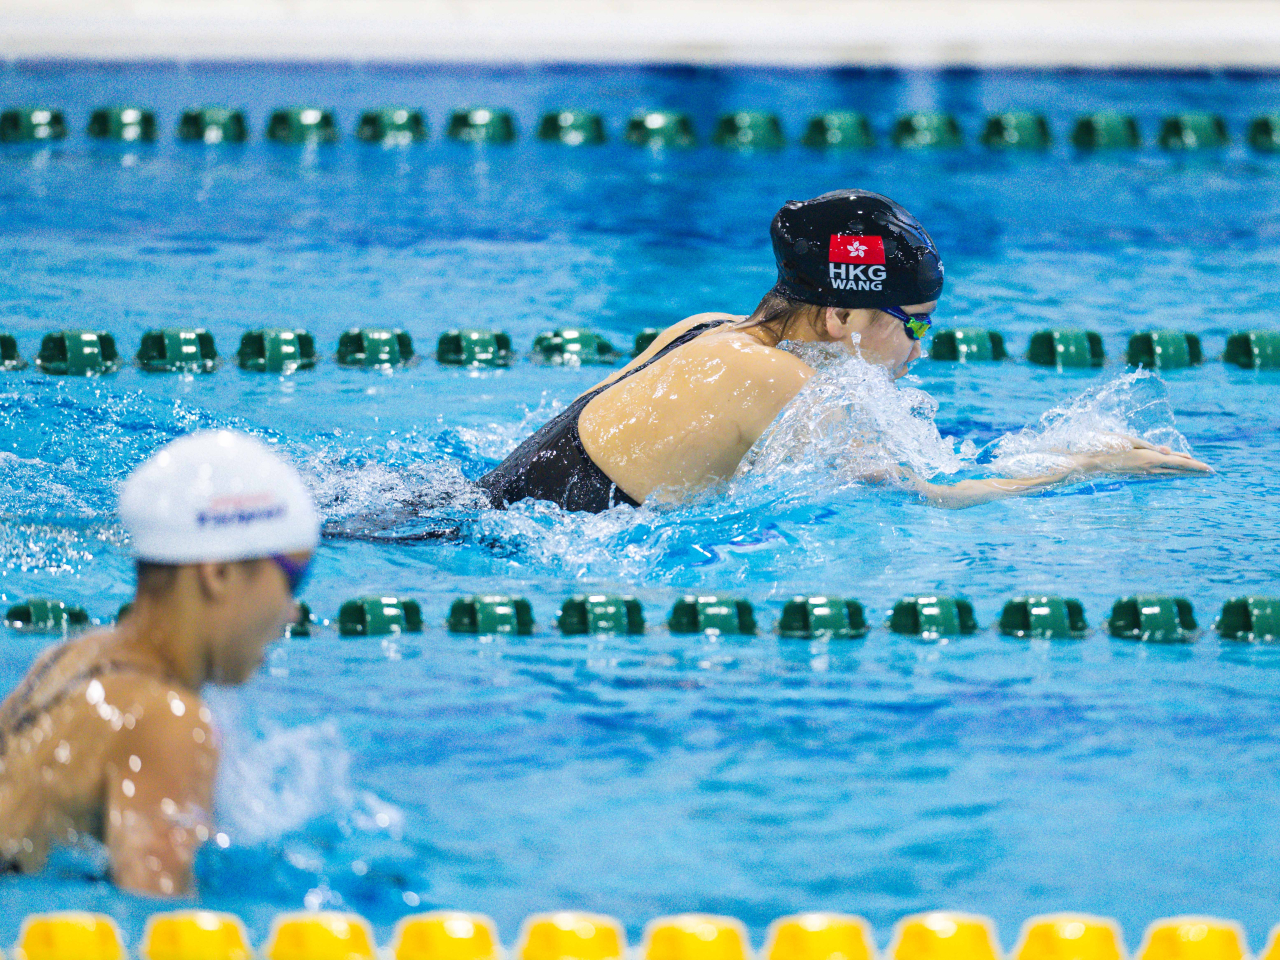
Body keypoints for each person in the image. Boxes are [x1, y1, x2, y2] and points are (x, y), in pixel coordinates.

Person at [478, 189, 1208, 512]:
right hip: (494, 556)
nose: (919, 350)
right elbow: (929, 498)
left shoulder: (707, 328)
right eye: (912, 323)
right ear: (838, 318)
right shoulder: (784, 384)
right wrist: (1082, 466)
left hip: (456, 507)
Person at [0, 430, 318, 896]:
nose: (293, 610)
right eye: (294, 579)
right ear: (219, 574)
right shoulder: (169, 720)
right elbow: (160, 922)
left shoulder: (70, 658)